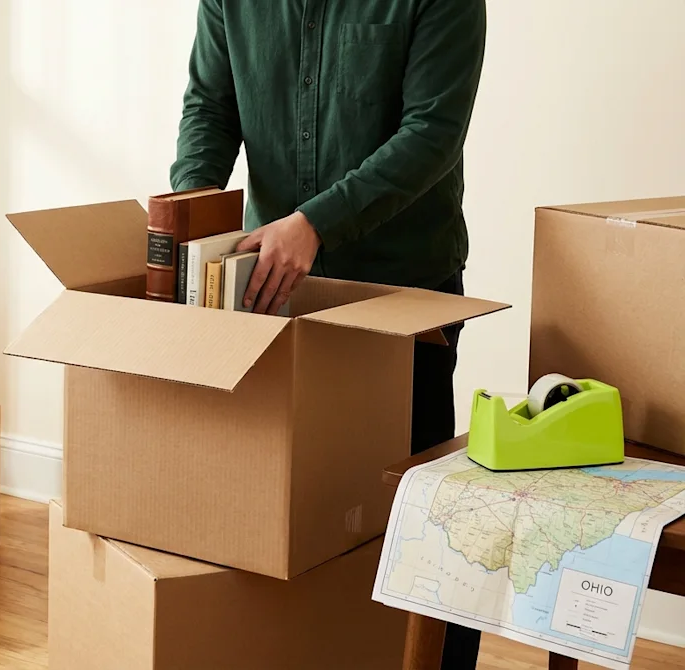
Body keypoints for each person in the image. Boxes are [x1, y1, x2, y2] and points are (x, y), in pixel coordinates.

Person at [169, 1, 487, 668]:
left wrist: (315, 222)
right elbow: (210, 105)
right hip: (276, 294)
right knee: (294, 507)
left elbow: (432, 131)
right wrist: (191, 212)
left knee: (420, 514)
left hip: (406, 292)